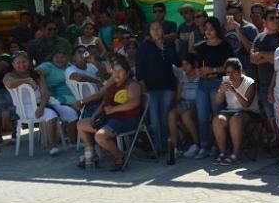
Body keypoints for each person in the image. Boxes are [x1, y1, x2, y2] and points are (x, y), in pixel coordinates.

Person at [76, 56, 142, 171]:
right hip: (109, 119)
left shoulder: (132, 85)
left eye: (120, 71)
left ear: (127, 72)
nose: (116, 74)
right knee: (81, 124)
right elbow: (104, 104)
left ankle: (119, 156)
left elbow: (134, 103)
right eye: (114, 71)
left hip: (126, 119)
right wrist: (94, 116)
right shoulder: (112, 86)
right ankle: (91, 155)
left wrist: (113, 110)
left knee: (100, 136)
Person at [192, 17, 235, 157]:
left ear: (217, 29)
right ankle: (204, 146)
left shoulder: (225, 46)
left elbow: (229, 66)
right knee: (202, 116)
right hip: (203, 83)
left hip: (218, 82)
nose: (208, 31)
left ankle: (219, 145)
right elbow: (197, 66)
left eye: (211, 28)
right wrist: (199, 72)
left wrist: (213, 70)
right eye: (206, 29)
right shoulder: (201, 46)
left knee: (217, 115)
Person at [136, 21, 179, 161]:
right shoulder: (144, 47)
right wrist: (143, 90)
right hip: (151, 88)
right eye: (152, 28)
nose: (156, 31)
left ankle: (167, 147)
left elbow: (178, 62)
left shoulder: (168, 45)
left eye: (158, 28)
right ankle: (157, 148)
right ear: (149, 31)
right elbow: (139, 69)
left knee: (164, 117)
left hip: (168, 86)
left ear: (162, 30)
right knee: (154, 119)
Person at [211, 57, 259, 165]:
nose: (231, 76)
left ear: (240, 71)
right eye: (228, 73)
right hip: (231, 111)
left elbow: (246, 104)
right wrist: (221, 92)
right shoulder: (226, 81)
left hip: (249, 112)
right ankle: (223, 153)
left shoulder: (250, 82)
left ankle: (236, 154)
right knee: (217, 119)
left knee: (235, 120)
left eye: (234, 72)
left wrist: (234, 91)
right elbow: (217, 102)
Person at [250, 9, 279, 139]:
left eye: (277, 17)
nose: (276, 20)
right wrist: (272, 56)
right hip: (264, 83)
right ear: (264, 21)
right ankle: (277, 141)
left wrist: (263, 55)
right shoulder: (259, 37)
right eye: (272, 18)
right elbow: (253, 59)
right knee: (270, 115)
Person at [36, 50, 81, 144]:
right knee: (75, 108)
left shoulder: (70, 67)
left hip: (72, 95)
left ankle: (73, 136)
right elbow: (35, 73)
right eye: (57, 57)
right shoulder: (47, 66)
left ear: (67, 58)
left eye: (62, 57)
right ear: (52, 58)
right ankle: (68, 135)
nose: (60, 59)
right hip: (55, 97)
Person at [169, 54, 201, 159]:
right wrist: (178, 104)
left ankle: (197, 144)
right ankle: (174, 147)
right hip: (184, 102)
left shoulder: (199, 75)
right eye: (182, 65)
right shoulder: (182, 76)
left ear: (192, 64)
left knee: (186, 116)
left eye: (187, 64)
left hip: (197, 104)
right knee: (171, 114)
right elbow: (178, 95)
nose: (184, 67)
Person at [223, 0, 259, 78]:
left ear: (241, 13)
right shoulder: (223, 28)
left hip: (247, 70)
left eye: (235, 13)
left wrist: (238, 30)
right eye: (230, 14)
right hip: (229, 71)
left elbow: (254, 51)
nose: (233, 16)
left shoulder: (250, 28)